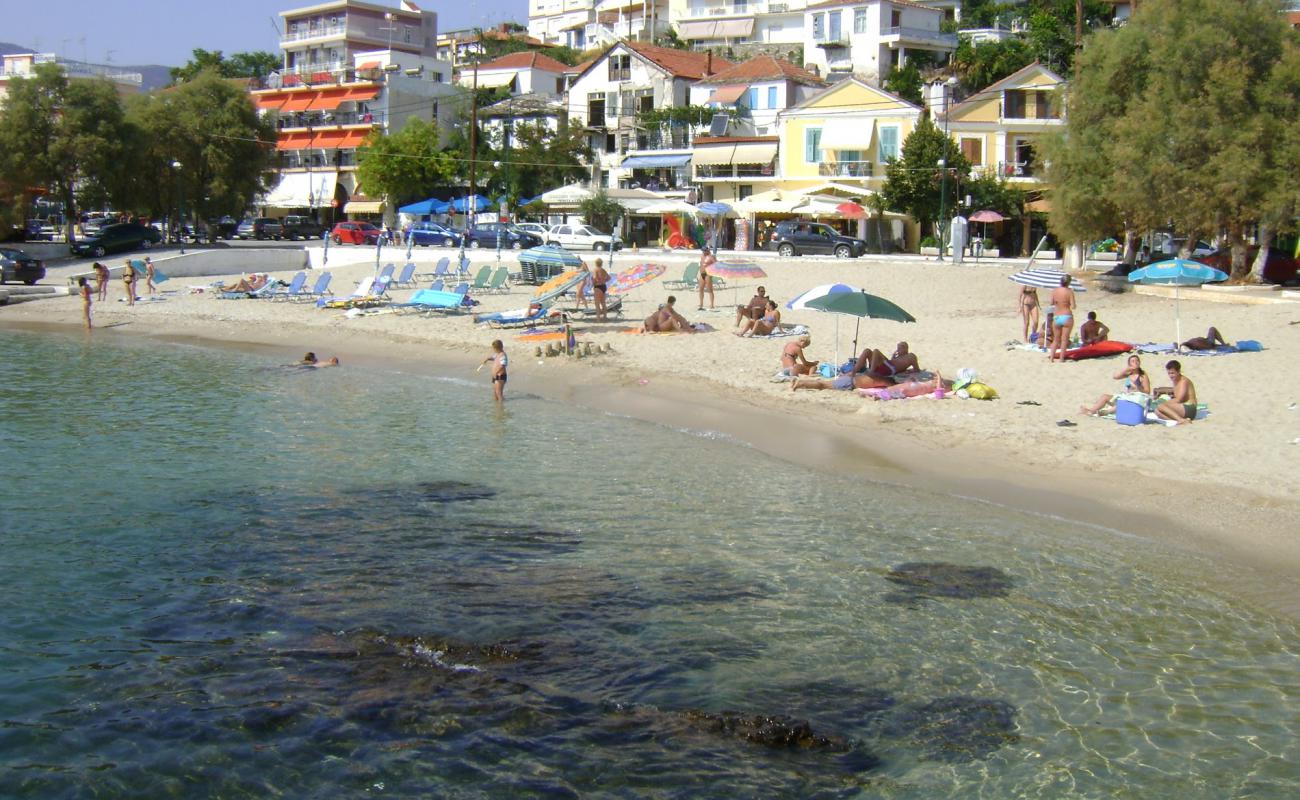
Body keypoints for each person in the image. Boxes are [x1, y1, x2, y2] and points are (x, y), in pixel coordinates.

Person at [1079, 354, 1151, 416]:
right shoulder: (1129, 374)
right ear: (1129, 364)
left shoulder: (1142, 375)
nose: (1135, 362)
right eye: (1133, 361)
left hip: (1135, 400)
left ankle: (1104, 412)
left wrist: (1138, 387)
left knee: (1122, 403)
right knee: (1105, 397)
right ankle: (1092, 410)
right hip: (1126, 397)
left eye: (1137, 361)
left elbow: (1147, 391)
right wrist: (1127, 369)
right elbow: (1115, 376)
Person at [1155, 360, 1198, 425]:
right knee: (1157, 411)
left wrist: (1165, 404)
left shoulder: (1184, 381)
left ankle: (1180, 420)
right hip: (1182, 407)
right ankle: (1181, 420)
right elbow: (1175, 391)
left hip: (1189, 408)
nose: (1170, 376)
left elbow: (1179, 399)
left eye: (1172, 373)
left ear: (1178, 371)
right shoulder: (1175, 380)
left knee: (1161, 407)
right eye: (1169, 373)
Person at [1048, 274, 1076, 363]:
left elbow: (1051, 303)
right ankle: (1061, 359)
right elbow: (1073, 306)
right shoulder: (1069, 291)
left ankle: (1051, 358)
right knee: (1064, 340)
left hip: (1057, 316)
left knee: (1055, 339)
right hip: (1067, 315)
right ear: (1069, 282)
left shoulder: (1054, 291)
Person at [851, 341, 919, 377]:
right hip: (886, 365)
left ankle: (871, 372)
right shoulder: (898, 356)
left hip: (890, 369)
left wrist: (907, 372)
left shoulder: (911, 356)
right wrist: (893, 357)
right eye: (897, 348)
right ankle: (853, 372)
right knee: (867, 351)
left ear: (905, 348)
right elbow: (892, 362)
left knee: (876, 351)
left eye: (899, 348)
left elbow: (916, 369)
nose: (897, 350)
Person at [697, 246, 716, 310]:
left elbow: (717, 264)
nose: (703, 252)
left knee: (710, 290)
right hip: (702, 274)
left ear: (708, 250)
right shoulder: (702, 256)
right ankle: (701, 303)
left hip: (708, 274)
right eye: (703, 251)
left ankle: (712, 304)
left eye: (705, 250)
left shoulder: (711, 257)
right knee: (701, 289)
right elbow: (701, 264)